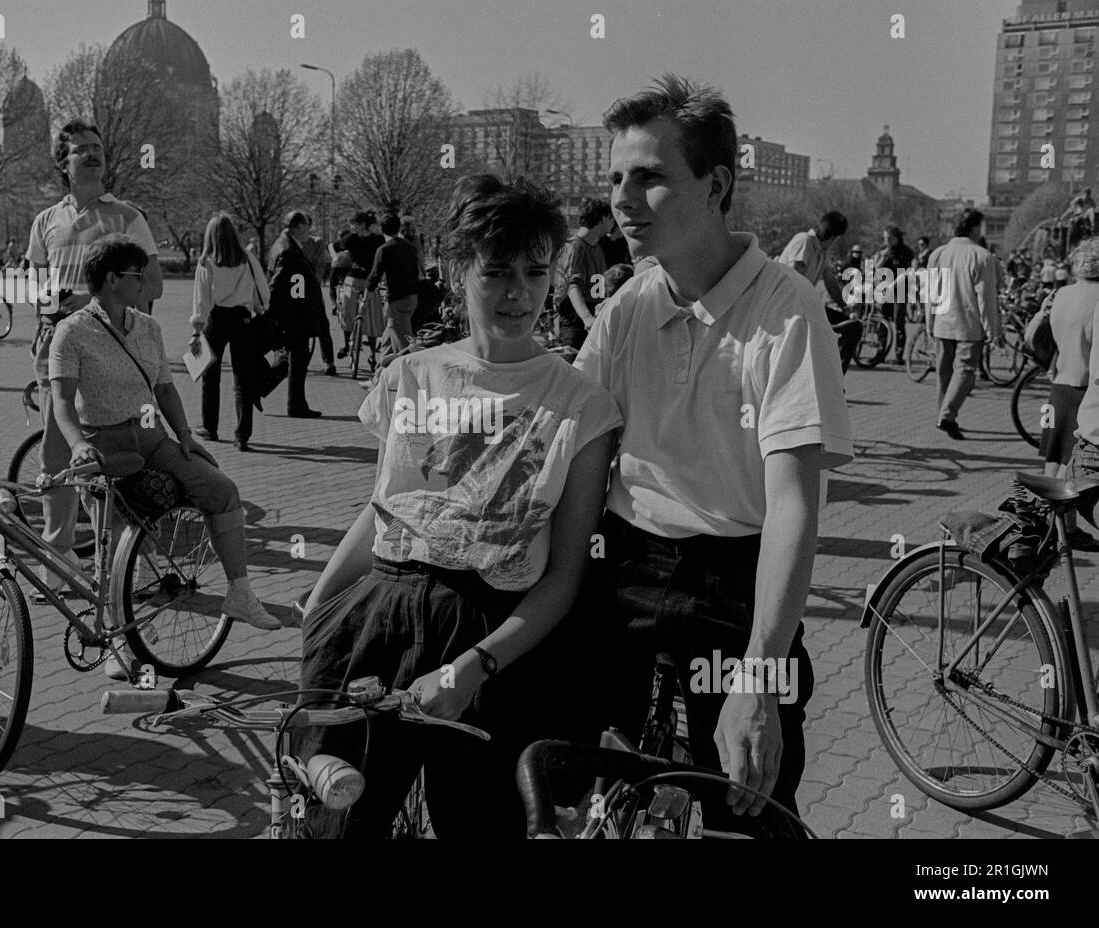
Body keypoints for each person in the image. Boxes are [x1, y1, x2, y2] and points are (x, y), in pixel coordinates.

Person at [298, 173, 621, 838]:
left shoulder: (580, 405)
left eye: (535, 272)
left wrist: (474, 666)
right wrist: (321, 604)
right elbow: (386, 507)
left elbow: (563, 577)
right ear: (454, 268)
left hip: (496, 640)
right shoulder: (409, 376)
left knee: (478, 826)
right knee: (340, 820)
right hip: (379, 619)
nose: (518, 294)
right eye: (496, 271)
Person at [575, 74, 853, 832]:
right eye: (615, 179)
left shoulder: (785, 312)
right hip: (625, 568)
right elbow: (566, 450)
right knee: (596, 792)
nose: (622, 200)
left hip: (736, 583)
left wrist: (760, 677)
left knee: (750, 804)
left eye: (651, 177)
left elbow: (795, 504)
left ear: (716, 183)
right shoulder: (628, 306)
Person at [51, 234, 280, 678]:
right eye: (139, 275)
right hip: (105, 442)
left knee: (221, 490)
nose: (148, 282)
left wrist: (187, 436)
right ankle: (119, 644)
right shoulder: (72, 331)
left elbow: (165, 388)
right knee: (114, 541)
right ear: (113, 279)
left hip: (153, 438)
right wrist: (79, 445)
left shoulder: (148, 327)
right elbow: (61, 401)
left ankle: (239, 592)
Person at [26, 119, 163, 596]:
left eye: (98, 148)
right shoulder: (46, 221)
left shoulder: (127, 217)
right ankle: (57, 559)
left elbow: (155, 285)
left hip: (113, 352)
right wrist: (50, 305)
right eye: (81, 149)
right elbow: (35, 287)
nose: (92, 155)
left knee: (122, 456)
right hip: (58, 347)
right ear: (63, 162)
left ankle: (135, 561)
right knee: (57, 453)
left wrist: (92, 303)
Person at [190, 213, 270, 451]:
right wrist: (259, 308)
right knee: (243, 378)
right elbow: (261, 288)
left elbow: (201, 299)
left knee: (209, 375)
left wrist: (196, 329)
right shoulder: (247, 258)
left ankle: (210, 426)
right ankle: (242, 434)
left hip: (217, 318)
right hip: (242, 319)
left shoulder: (207, 261)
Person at [1039, 238, 1099, 551]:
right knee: (1071, 461)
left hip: (1059, 383)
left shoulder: (1061, 293)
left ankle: (1057, 528)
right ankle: (1063, 529)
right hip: (1085, 387)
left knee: (1053, 457)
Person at [926, 209, 1000, 440]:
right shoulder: (981, 256)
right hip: (968, 323)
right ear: (975, 228)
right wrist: (992, 330)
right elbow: (986, 298)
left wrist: (929, 322)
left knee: (944, 372)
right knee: (965, 370)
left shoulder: (938, 253)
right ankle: (947, 416)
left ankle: (943, 413)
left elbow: (929, 292)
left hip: (942, 322)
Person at [777, 211, 858, 374]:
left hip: (805, 306)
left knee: (853, 327)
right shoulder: (803, 241)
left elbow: (830, 281)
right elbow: (792, 279)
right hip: (786, 308)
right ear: (832, 237)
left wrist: (845, 307)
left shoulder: (822, 250)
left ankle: (834, 381)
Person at [265, 210, 324, 418]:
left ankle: (293, 401)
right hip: (293, 316)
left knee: (295, 358)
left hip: (292, 313)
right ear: (298, 226)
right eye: (307, 226)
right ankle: (295, 404)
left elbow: (291, 283)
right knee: (298, 359)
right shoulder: (289, 250)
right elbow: (278, 285)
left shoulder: (283, 245)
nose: (310, 231)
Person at [552, 197, 613, 351]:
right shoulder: (574, 248)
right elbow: (572, 287)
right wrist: (587, 318)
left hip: (593, 320)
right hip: (576, 324)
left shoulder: (597, 249)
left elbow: (598, 286)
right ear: (603, 218)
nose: (613, 224)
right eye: (611, 219)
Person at [368, 213, 422, 359]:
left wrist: (367, 294)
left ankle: (412, 376)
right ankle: (379, 377)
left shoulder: (384, 249)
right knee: (388, 340)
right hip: (413, 298)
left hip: (397, 301)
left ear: (382, 229)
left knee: (404, 346)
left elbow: (374, 276)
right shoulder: (410, 247)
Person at [334, 211, 383, 369]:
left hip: (368, 281)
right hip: (357, 280)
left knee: (372, 318)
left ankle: (372, 355)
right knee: (350, 314)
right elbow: (332, 246)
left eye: (354, 224)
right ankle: (348, 347)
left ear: (362, 224)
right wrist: (337, 259)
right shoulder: (351, 238)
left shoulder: (377, 239)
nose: (352, 227)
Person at [299, 213, 336, 376]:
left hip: (311, 286)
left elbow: (320, 266)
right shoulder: (290, 243)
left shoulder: (316, 242)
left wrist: (314, 283)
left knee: (322, 325)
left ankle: (329, 361)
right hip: (296, 287)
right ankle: (299, 359)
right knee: (298, 326)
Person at [873, 225, 915, 364]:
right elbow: (876, 268)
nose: (887, 241)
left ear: (897, 238)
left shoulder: (906, 252)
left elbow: (906, 272)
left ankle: (898, 355)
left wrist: (894, 285)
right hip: (884, 289)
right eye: (885, 238)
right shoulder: (883, 250)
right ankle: (881, 353)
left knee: (899, 322)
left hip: (900, 290)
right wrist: (883, 256)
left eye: (890, 238)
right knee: (882, 322)